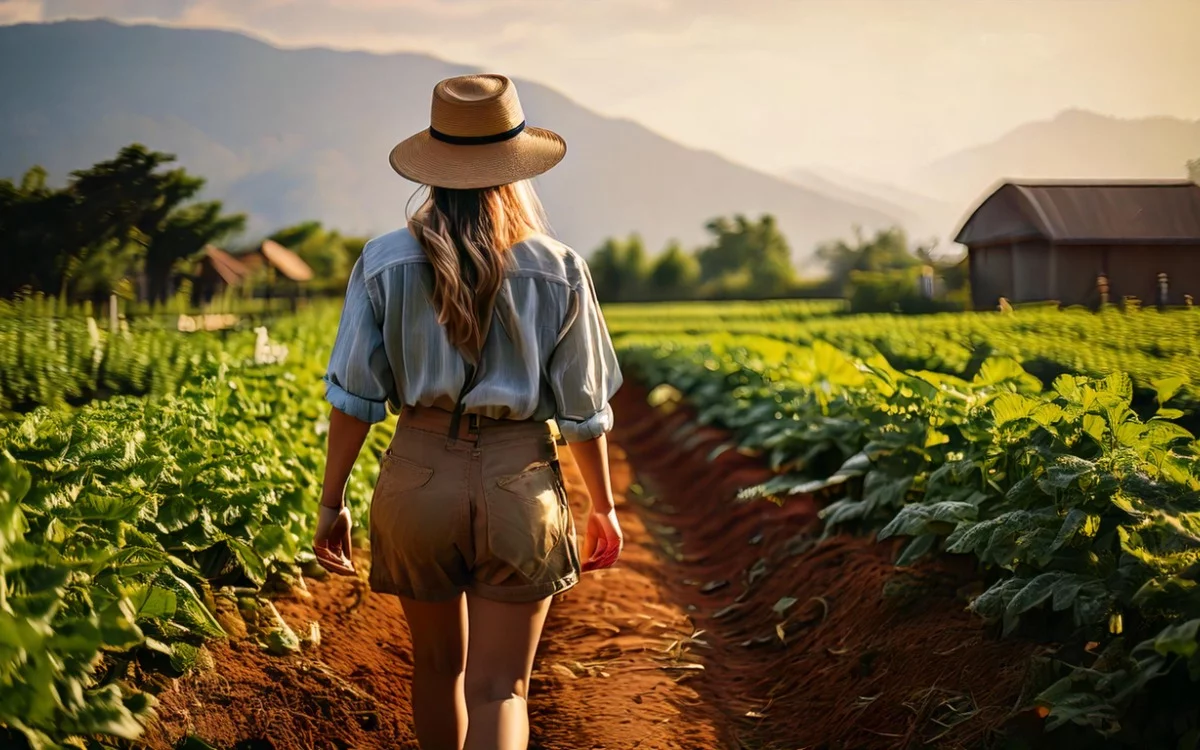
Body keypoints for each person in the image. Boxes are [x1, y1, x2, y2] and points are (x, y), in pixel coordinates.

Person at [311, 73, 624, 750]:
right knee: (501, 688)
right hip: (520, 482)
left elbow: (355, 398)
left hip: (416, 479)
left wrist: (331, 500)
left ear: (434, 167)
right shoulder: (559, 266)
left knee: (435, 671)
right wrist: (603, 504)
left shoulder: (383, 262)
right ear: (516, 171)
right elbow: (583, 409)